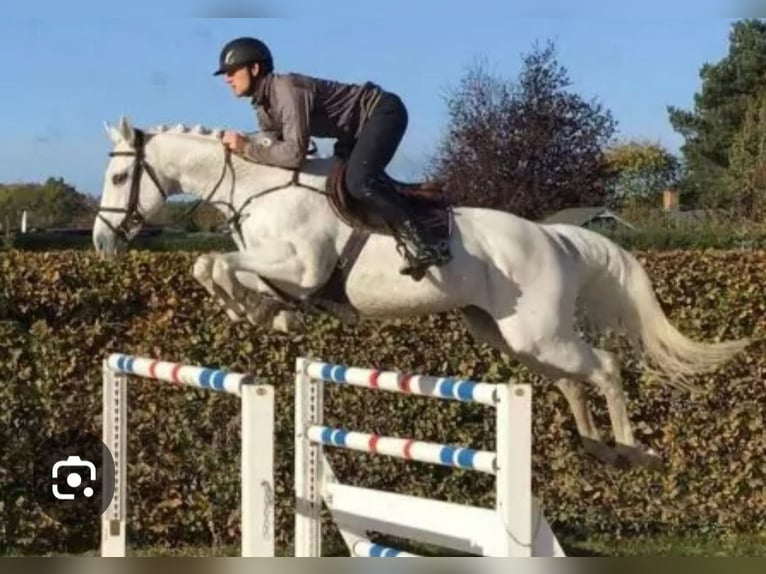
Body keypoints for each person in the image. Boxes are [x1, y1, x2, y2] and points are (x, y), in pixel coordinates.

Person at [213, 36, 451, 280]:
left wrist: (245, 148)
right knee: (336, 182)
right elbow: (273, 151)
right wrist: (246, 146)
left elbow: (293, 155)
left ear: (254, 69)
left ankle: (428, 241)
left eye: (231, 71)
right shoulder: (264, 107)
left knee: (358, 182)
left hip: (382, 112)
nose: (227, 79)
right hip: (353, 133)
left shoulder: (287, 90)